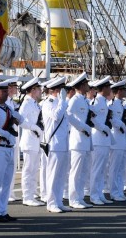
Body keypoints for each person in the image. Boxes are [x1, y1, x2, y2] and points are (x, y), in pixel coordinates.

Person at [0, 78, 23, 223]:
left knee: (7, 182)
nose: (6, 93)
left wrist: (16, 116)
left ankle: (3, 210)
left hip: (9, 148)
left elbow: (21, 119)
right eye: (3, 91)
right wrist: (6, 133)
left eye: (6, 90)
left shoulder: (8, 108)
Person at [41, 77, 70, 213]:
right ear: (57, 90)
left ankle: (58, 201)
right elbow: (56, 116)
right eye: (63, 89)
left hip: (63, 143)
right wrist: (63, 101)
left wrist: (63, 102)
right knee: (52, 174)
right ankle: (51, 202)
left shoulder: (61, 102)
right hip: (54, 143)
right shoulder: (48, 103)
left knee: (61, 175)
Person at [66, 72, 94, 209]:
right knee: (76, 172)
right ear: (81, 85)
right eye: (86, 83)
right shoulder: (75, 100)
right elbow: (69, 115)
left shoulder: (84, 100)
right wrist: (82, 127)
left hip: (86, 140)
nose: (88, 85)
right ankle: (73, 199)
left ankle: (80, 197)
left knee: (83, 172)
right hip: (77, 140)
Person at [18, 77, 45, 206]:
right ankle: (27, 197)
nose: (40, 91)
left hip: (36, 141)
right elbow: (20, 120)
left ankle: (32, 194)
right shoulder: (27, 103)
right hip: (29, 141)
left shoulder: (35, 103)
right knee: (28, 170)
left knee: (34, 169)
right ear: (33, 90)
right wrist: (34, 128)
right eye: (39, 89)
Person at [87, 76, 114, 205]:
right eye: (109, 87)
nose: (110, 89)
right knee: (96, 169)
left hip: (105, 140)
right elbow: (92, 119)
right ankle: (94, 195)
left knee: (103, 169)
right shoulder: (96, 102)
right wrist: (103, 128)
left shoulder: (104, 102)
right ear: (103, 88)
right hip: (98, 139)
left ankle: (100, 192)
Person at [107, 80, 126, 201]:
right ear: (119, 91)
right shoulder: (111, 104)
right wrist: (120, 124)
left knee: (121, 167)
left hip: (123, 139)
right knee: (114, 168)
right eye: (123, 90)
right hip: (116, 139)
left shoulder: (123, 104)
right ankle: (114, 192)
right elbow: (111, 120)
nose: (125, 92)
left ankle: (119, 191)